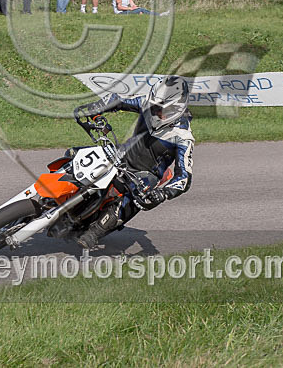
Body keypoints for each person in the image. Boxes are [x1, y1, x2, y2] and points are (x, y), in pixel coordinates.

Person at [75, 76, 195, 250]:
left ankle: (94, 232)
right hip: (122, 153)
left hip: (145, 174)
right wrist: (97, 108)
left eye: (160, 109)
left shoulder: (183, 137)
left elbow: (184, 178)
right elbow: (118, 100)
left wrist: (163, 193)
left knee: (140, 196)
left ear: (176, 109)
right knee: (76, 153)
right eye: (153, 106)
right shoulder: (148, 102)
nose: (154, 111)